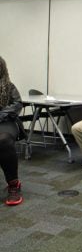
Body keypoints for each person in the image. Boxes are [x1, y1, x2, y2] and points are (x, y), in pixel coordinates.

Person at [0, 56, 24, 206]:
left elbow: (17, 104)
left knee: (3, 141)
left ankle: (13, 185)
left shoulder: (9, 86)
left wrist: (1, 113)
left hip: (6, 122)